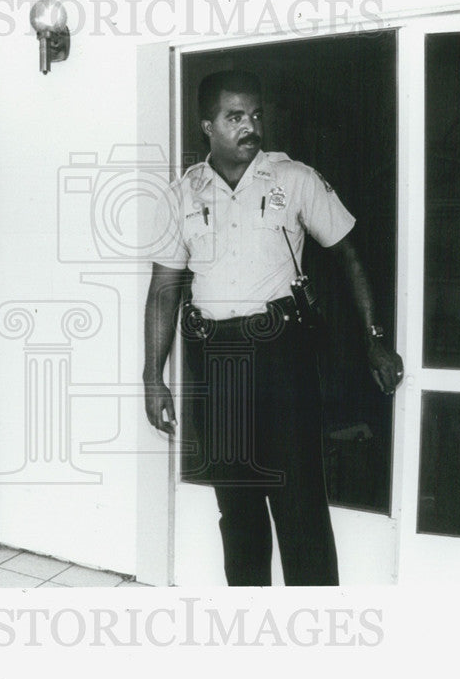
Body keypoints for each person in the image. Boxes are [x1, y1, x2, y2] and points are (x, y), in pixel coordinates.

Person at [142, 70, 404, 586]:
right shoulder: (181, 195)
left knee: (300, 504)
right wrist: (153, 376)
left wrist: (375, 341)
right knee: (237, 512)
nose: (250, 126)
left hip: (282, 356)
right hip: (217, 363)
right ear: (207, 126)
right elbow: (164, 289)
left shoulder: (295, 179)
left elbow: (350, 255)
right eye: (235, 117)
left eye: (256, 115)